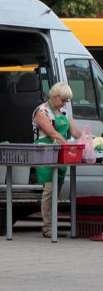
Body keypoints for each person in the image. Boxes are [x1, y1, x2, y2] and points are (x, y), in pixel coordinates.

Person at [32, 82, 83, 238]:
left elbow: (75, 131)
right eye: (63, 100)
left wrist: (88, 139)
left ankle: (52, 226)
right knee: (49, 190)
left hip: (61, 154)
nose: (65, 103)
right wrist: (68, 145)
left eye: (67, 101)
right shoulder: (41, 111)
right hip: (45, 153)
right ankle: (47, 228)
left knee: (57, 190)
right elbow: (53, 134)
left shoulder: (63, 112)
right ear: (54, 96)